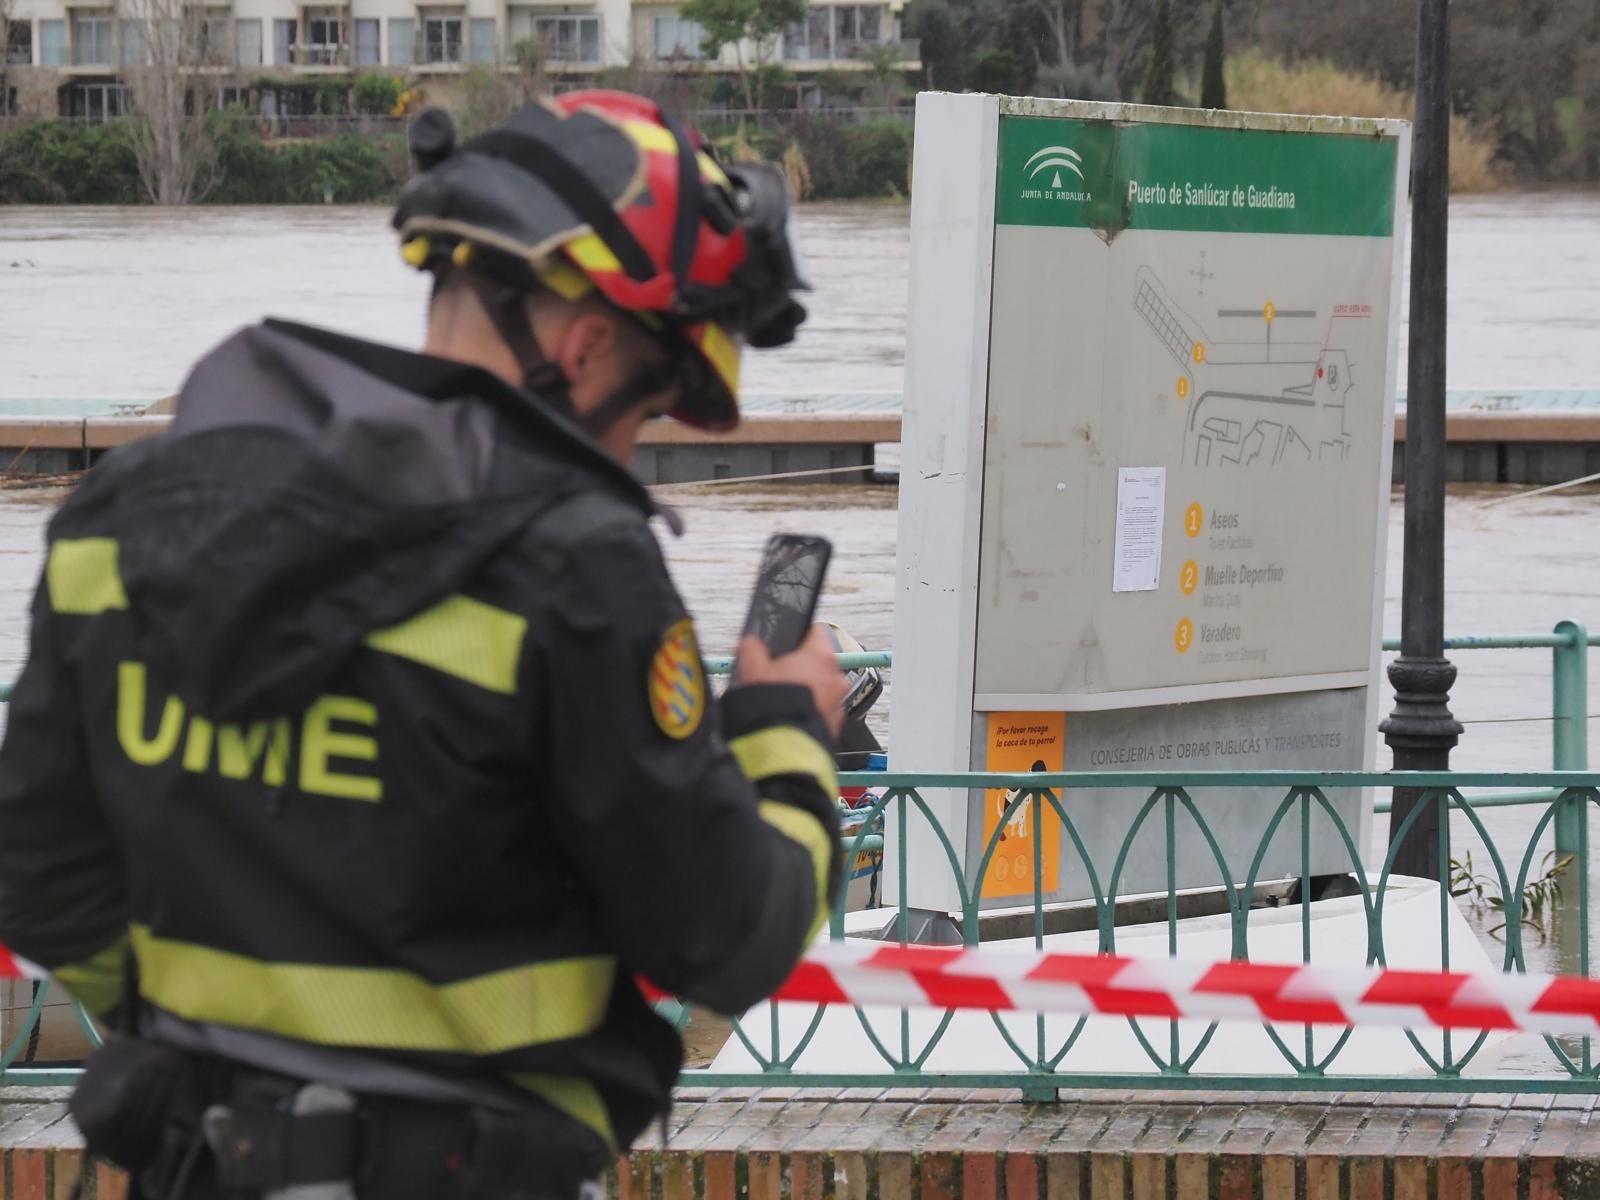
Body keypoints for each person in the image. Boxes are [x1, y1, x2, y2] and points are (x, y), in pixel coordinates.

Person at [0, 91, 847, 1199]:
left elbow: (37, 868)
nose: (634, 456)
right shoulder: (572, 567)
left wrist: (208, 1039)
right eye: (648, 413)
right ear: (587, 346)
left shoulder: (128, 517)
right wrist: (785, 729)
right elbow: (725, 937)